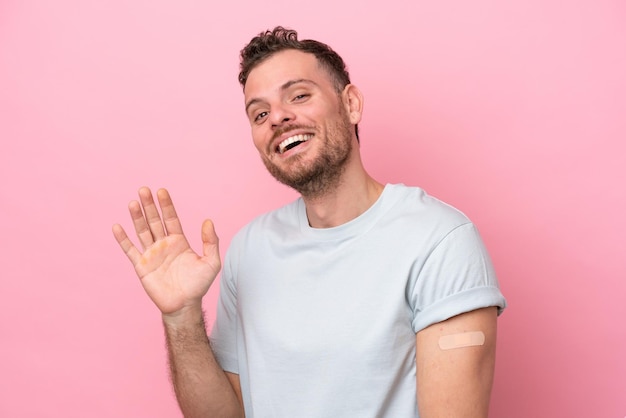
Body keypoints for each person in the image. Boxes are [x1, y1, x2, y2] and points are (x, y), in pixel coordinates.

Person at [113, 26, 506, 418]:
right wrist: (181, 316)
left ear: (351, 104)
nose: (278, 118)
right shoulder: (250, 249)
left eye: (299, 96)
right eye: (260, 113)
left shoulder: (440, 241)